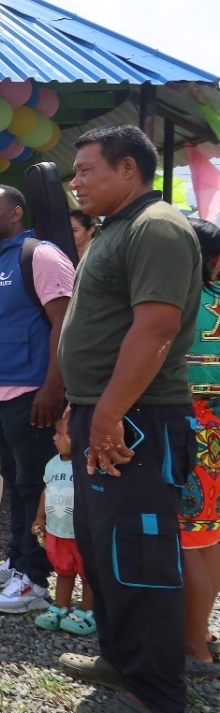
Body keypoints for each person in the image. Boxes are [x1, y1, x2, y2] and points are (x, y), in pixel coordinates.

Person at [55, 124, 201, 713]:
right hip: (106, 410)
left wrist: (109, 412)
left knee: (137, 552)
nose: (76, 182)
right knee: (101, 542)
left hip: (140, 416)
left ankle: (158, 691)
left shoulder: (157, 227)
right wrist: (82, 406)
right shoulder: (116, 229)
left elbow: (157, 328)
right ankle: (121, 658)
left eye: (87, 170)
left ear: (128, 170)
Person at [0, 185, 74, 609]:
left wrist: (53, 387)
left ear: (16, 213)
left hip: (33, 391)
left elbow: (65, 323)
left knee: (33, 485)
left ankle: (34, 579)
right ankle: (17, 561)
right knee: (15, 480)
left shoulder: (39, 255)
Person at [180, 217, 220, 672]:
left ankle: (193, 647)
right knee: (209, 534)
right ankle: (202, 630)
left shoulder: (178, 301)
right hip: (215, 429)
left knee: (187, 538)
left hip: (189, 427)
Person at [32, 413, 95, 636]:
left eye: (61, 434)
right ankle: (60, 606)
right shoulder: (52, 464)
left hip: (82, 533)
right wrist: (40, 517)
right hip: (58, 530)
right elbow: (46, 491)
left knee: (88, 572)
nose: (54, 438)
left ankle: (89, 610)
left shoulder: (89, 464)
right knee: (64, 570)